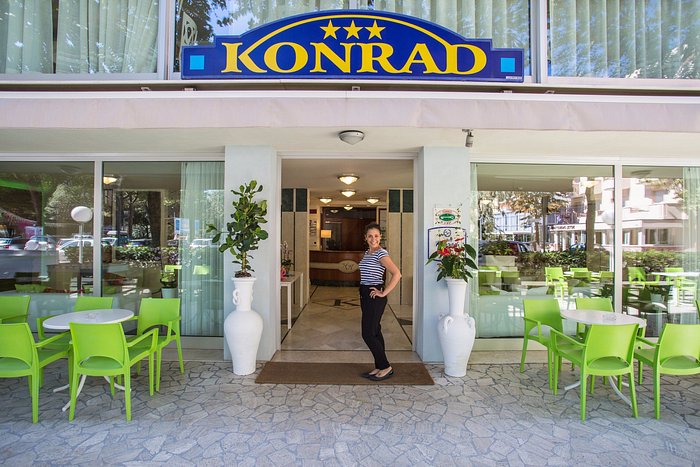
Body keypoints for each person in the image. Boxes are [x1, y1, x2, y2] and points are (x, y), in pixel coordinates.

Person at [358, 222, 401, 381]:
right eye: (370, 236)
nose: (373, 239)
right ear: (365, 238)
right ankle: (379, 366)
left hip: (374, 297)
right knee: (375, 331)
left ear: (380, 237)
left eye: (376, 236)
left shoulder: (381, 253)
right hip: (365, 295)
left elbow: (397, 274)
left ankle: (386, 367)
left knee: (368, 334)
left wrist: (383, 293)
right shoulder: (368, 252)